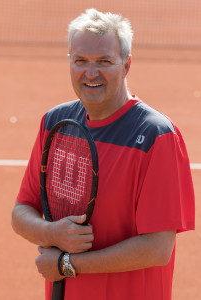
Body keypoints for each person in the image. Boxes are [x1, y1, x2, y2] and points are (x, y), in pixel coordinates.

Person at [11, 8, 195, 300]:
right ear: (69, 61)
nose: (91, 72)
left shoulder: (157, 137)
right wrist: (52, 233)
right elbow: (21, 212)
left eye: (104, 61)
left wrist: (67, 264)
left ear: (126, 65)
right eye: (80, 60)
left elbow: (157, 248)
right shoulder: (54, 123)